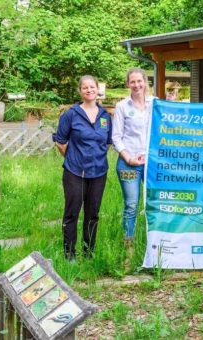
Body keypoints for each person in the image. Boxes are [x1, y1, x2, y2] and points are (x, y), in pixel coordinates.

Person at [53, 75, 112, 260]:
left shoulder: (105, 116)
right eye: (85, 87)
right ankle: (70, 255)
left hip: (98, 172)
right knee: (72, 213)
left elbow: (107, 143)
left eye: (92, 87)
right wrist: (73, 158)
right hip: (75, 172)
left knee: (92, 214)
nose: (89, 90)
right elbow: (60, 142)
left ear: (97, 89)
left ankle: (89, 253)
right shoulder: (71, 114)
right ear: (80, 91)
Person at [112, 68, 154, 242]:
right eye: (133, 82)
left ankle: (155, 244)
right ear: (128, 84)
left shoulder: (155, 103)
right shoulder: (122, 106)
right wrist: (128, 158)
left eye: (139, 81)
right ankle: (129, 245)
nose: (137, 85)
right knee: (131, 205)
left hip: (152, 164)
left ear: (145, 82)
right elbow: (116, 137)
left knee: (155, 204)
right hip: (128, 164)